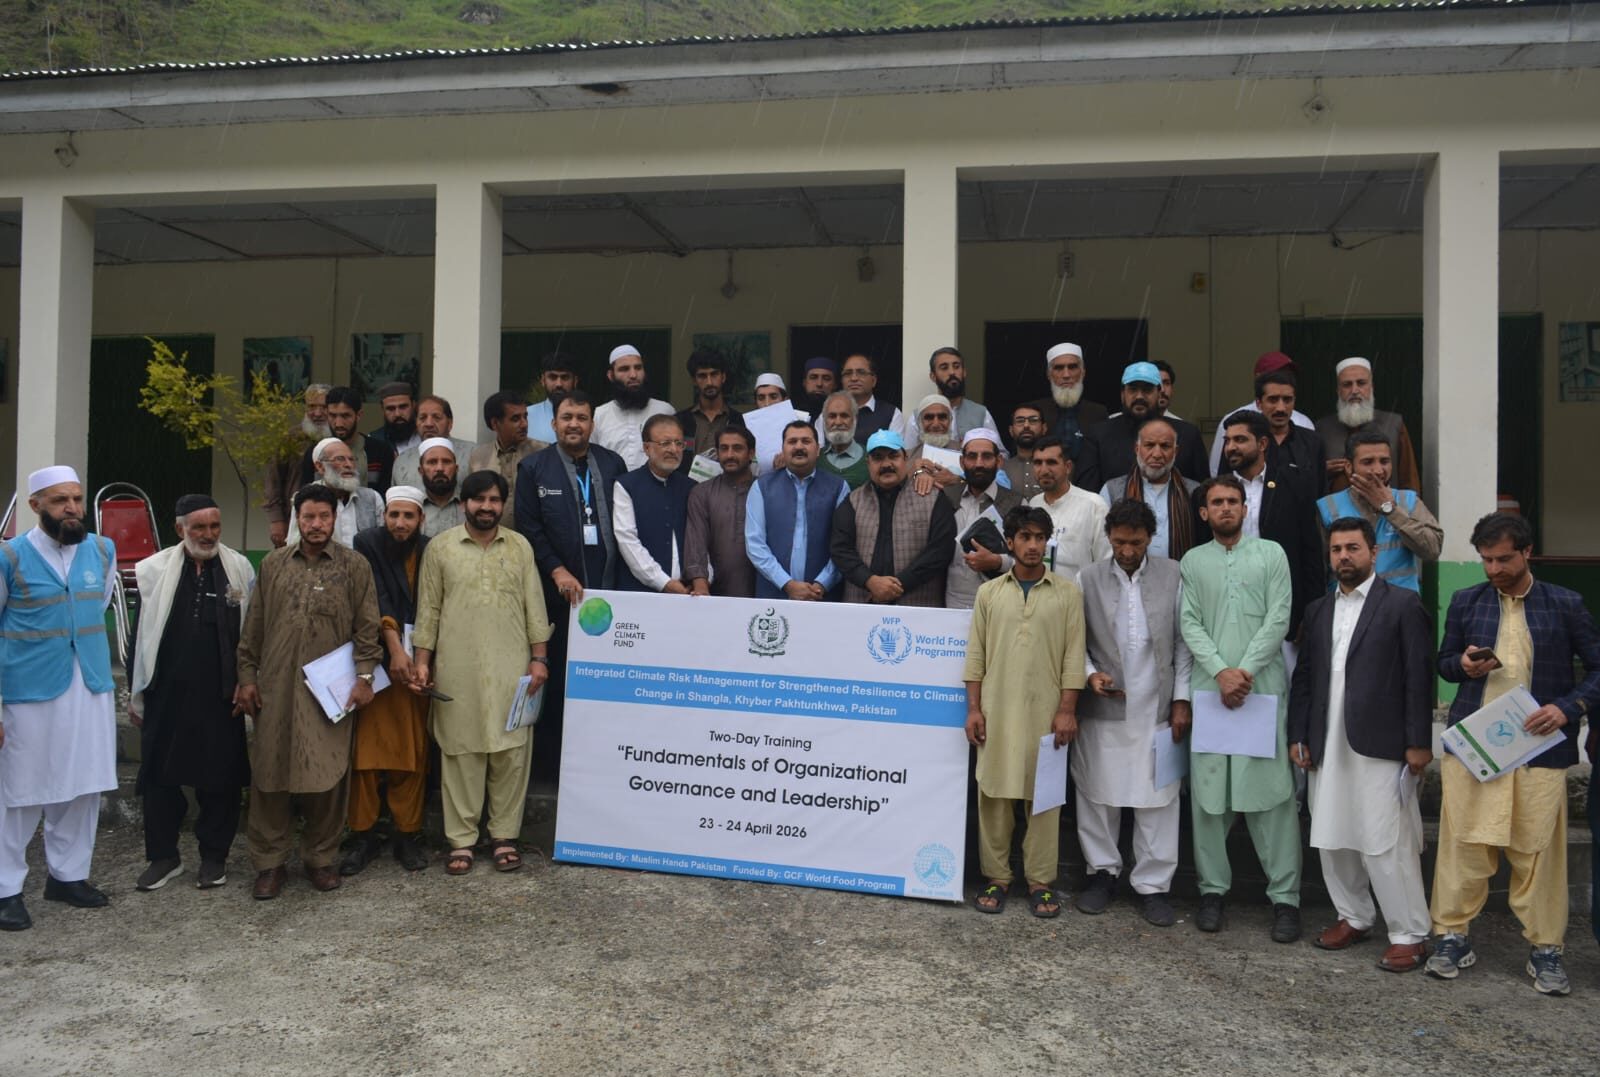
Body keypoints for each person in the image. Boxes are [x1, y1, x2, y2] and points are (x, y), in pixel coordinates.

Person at [1427, 512, 1600, 995]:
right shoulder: (1466, 601)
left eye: (1504, 559)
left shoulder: (1565, 604)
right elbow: (1443, 664)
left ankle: (1546, 949)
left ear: (1527, 553)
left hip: (1539, 749)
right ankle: (1451, 936)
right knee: (1462, 846)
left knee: (1538, 852)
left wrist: (1567, 709)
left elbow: (1597, 669)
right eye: (1486, 559)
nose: (1494, 568)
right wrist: (1461, 665)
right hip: (1475, 748)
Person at [1288, 516, 1434, 973]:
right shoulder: (1318, 610)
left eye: (1353, 548)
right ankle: (1354, 915)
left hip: (1382, 743)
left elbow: (1418, 679)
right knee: (1332, 835)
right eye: (1336, 550)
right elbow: (1306, 678)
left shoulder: (1403, 605)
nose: (1344, 557)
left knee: (1384, 841)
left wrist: (1418, 743)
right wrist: (1299, 735)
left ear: (1373, 552)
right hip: (1326, 740)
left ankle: (1409, 932)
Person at [236, 484, 382, 900]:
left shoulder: (355, 566)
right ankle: (269, 863)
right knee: (269, 775)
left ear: (335, 520)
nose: (316, 525)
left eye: (324, 518)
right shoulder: (274, 565)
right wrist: (247, 676)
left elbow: (367, 627)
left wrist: (365, 678)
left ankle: (321, 858)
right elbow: (254, 627)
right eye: (308, 518)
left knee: (328, 776)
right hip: (276, 686)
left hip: (330, 690)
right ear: (297, 519)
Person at [412, 470, 553, 877]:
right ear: (463, 505)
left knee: (511, 752)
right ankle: (462, 840)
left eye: (494, 500)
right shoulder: (441, 548)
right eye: (478, 500)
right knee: (461, 752)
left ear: (502, 504)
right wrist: (422, 661)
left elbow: (534, 607)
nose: (486, 507)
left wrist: (539, 659)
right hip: (457, 666)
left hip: (512, 667)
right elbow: (429, 610)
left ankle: (505, 837)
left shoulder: (520, 546)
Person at [1179, 476, 1300, 942]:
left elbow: (1279, 617)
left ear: (1245, 508)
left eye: (1233, 501)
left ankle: (1285, 900)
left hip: (1260, 690)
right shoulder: (1193, 561)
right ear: (1205, 513)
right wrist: (1220, 671)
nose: (1226, 508)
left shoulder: (1271, 554)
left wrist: (1243, 671)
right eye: (1217, 503)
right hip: (1212, 693)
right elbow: (1189, 622)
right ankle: (1212, 892)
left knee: (1272, 796)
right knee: (1210, 797)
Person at [0, 467, 118, 931]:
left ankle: (68, 876)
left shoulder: (101, 550)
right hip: (28, 692)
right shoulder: (10, 556)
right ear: (35, 506)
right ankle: (6, 888)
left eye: (75, 499)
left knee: (83, 785)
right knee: (19, 792)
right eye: (58, 501)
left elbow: (99, 604)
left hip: (88, 687)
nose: (72, 509)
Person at [1073, 498, 1192, 926]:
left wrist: (1181, 700)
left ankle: (1154, 886)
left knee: (1158, 796)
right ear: (1108, 537)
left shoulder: (1173, 574)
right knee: (1097, 791)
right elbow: (1076, 641)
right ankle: (1101, 872)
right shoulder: (1088, 578)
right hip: (1106, 704)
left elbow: (1183, 642)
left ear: (1150, 539)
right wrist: (1089, 675)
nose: (1127, 551)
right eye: (1120, 542)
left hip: (1156, 703)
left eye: (1136, 543)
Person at [963, 505, 1086, 919]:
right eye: (1025, 538)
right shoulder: (989, 593)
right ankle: (997, 879)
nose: (1033, 545)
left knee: (1044, 799)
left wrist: (1067, 710)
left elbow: (1073, 657)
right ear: (1010, 542)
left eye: (1040, 537)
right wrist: (974, 710)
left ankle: (1040, 882)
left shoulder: (1068, 593)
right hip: (996, 709)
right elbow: (975, 656)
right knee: (993, 794)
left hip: (1047, 712)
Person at [128, 494, 255, 893]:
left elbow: (251, 631)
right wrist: (137, 692)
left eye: (214, 526)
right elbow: (140, 637)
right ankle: (164, 857)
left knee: (221, 778)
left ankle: (213, 857)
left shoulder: (238, 567)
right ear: (180, 528)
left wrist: (247, 679)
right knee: (159, 777)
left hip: (221, 694)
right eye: (198, 527)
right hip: (166, 692)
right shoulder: (153, 570)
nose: (208, 534)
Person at [514, 391, 627, 781]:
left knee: (605, 684)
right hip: (556, 595)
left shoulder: (612, 463)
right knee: (560, 680)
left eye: (581, 417)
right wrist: (556, 569)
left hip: (609, 592)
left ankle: (603, 764)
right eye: (567, 417)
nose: (574, 424)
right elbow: (528, 529)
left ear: (592, 424)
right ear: (554, 423)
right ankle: (554, 770)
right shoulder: (533, 468)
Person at [342, 487, 433, 876]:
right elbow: (373, 597)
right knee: (366, 757)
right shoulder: (367, 544)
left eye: (408, 517)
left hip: (420, 663)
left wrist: (421, 658)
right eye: (393, 515)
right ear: (384, 516)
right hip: (375, 662)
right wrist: (395, 648)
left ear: (420, 520)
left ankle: (406, 835)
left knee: (411, 756)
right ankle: (362, 835)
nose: (400, 523)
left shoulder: (431, 549)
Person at [1218, 410, 1324, 641]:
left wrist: (1311, 612)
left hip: (1283, 608)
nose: (1231, 447)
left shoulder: (1294, 484)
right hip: (1229, 608)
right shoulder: (1215, 491)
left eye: (1240, 439)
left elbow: (1310, 552)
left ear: (1263, 443)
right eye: (1227, 441)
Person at [830, 429, 956, 607]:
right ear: (868, 463)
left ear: (906, 459)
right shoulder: (852, 501)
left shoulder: (932, 498)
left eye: (893, 456)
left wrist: (898, 585)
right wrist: (870, 581)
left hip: (919, 609)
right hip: (862, 606)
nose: (886, 464)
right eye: (878, 458)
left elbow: (941, 549)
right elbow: (840, 550)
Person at [1315, 432, 1442, 594]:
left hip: (1400, 606)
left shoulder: (1408, 500)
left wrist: (1390, 509)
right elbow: (1316, 569)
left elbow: (1433, 549)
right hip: (1348, 605)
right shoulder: (1327, 506)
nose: (1378, 470)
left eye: (1384, 461)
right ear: (1348, 466)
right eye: (1367, 462)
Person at [746, 420, 849, 601]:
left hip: (823, 596)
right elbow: (755, 544)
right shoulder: (761, 487)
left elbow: (845, 544)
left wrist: (822, 584)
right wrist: (787, 583)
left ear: (818, 450)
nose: (799, 447)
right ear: (783, 449)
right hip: (774, 595)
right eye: (792, 442)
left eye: (806, 441)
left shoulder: (838, 487)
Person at [1076, 362, 1208, 492]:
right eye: (1133, 389)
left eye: (1147, 389)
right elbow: (1088, 495)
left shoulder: (1187, 435)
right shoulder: (1098, 436)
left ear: (1159, 394)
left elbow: (1203, 493)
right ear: (1123, 394)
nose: (1139, 396)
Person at [1098, 418, 1207, 560]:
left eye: (1165, 446)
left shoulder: (1194, 491)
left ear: (1176, 451)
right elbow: (1101, 544)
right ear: (1137, 449)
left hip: (1181, 577)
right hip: (1127, 579)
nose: (1157, 454)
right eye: (1149, 445)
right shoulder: (1112, 490)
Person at [1314, 357, 1421, 495]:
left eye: (1361, 383)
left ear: (1371, 387)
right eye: (1347, 384)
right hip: (1336, 513)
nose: (1354, 390)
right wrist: (1322, 471)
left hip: (1386, 512)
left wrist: (1407, 515)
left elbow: (1409, 479)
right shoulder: (1323, 428)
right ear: (1338, 391)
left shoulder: (1394, 424)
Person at [614, 415, 695, 593]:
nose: (673, 450)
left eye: (679, 443)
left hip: (689, 593)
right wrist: (664, 582)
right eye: (665, 443)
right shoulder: (626, 485)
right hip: (640, 593)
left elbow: (700, 541)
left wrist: (701, 580)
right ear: (646, 447)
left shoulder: (692, 487)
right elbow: (628, 541)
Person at [1206, 352, 1316, 479]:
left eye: (1288, 375)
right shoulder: (1233, 422)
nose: (1280, 407)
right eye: (1276, 374)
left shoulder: (1304, 423)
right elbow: (1217, 473)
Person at [943, 429, 1020, 610]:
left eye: (986, 457)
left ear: (999, 461)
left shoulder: (1016, 503)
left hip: (1001, 605)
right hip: (953, 604)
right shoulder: (946, 499)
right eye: (972, 457)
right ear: (962, 462)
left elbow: (1030, 558)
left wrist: (998, 562)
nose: (979, 464)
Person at [685, 428, 757, 598]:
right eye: (724, 448)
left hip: (761, 594)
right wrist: (700, 585)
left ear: (751, 453)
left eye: (737, 448)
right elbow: (696, 543)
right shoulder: (701, 493)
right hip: (715, 593)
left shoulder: (765, 491)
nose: (729, 454)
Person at [1027, 435, 1111, 580]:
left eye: (1051, 462)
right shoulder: (1033, 505)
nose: (1044, 470)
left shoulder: (1094, 505)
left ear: (1068, 467)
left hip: (1080, 598)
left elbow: (1106, 564)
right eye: (1038, 463)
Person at [264, 383, 330, 548]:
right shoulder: (291, 439)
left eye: (324, 407)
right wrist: (277, 520)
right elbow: (274, 482)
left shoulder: (341, 439)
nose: (317, 413)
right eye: (312, 407)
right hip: (293, 518)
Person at [469, 390, 548, 527]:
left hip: (534, 540)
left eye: (525, 416)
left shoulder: (543, 453)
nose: (524, 424)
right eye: (515, 419)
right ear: (495, 424)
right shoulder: (478, 457)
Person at [297, 385, 394, 493]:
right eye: (333, 416)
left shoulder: (380, 452)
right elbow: (306, 496)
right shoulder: (314, 453)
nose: (338, 423)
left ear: (359, 415)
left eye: (345, 416)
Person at [289, 437, 384, 547]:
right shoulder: (305, 498)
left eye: (352, 459)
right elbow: (294, 545)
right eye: (340, 459)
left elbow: (381, 544)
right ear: (320, 467)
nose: (348, 465)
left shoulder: (372, 498)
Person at [593, 344, 673, 470]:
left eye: (638, 368)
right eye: (624, 369)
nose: (633, 375)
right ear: (610, 375)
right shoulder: (599, 414)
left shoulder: (665, 411)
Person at [1026, 343, 1108, 465]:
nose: (1066, 375)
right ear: (1049, 374)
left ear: (1083, 372)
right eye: (1059, 368)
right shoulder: (1035, 410)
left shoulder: (1098, 413)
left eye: (1072, 367)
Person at [902, 347, 997, 447]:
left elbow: (1000, 455)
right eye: (944, 368)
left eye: (956, 367)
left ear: (964, 372)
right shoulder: (918, 416)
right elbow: (908, 455)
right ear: (933, 376)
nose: (952, 372)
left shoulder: (981, 413)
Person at [675, 349, 747, 476]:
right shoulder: (680, 421)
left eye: (714, 374)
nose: (709, 382)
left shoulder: (740, 420)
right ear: (694, 380)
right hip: (687, 491)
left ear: (723, 377)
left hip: (728, 491)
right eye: (702, 376)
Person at [391, 394, 474, 491]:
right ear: (416, 423)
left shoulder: (472, 454)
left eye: (436, 417)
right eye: (422, 418)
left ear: (450, 423)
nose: (428, 424)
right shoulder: (403, 460)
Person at [836, 353, 902, 446]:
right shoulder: (827, 415)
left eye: (861, 372)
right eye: (848, 373)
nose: (854, 378)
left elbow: (895, 454)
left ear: (873, 381)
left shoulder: (892, 414)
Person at [817, 391, 870, 490]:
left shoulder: (870, 458)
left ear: (855, 419)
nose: (838, 422)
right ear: (824, 420)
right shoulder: (815, 459)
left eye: (844, 416)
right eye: (832, 416)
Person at [525, 351, 580, 443]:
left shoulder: (587, 417)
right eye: (553, 377)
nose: (559, 384)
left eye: (565, 377)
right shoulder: (526, 416)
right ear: (543, 380)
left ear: (575, 381)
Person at [415, 436, 465, 537]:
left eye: (446, 462)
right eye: (432, 462)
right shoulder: (413, 506)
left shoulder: (470, 504)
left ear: (456, 469)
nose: (440, 468)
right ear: (421, 471)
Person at [1002, 403, 1046, 500]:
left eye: (1033, 420)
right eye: (1020, 421)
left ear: (1044, 428)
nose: (1026, 425)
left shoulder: (1054, 468)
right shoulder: (1001, 469)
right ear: (1011, 430)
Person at [367, 381, 420, 460]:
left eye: (403, 407)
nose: (397, 414)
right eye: (391, 409)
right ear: (382, 409)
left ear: (413, 405)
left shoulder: (426, 436)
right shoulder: (374, 440)